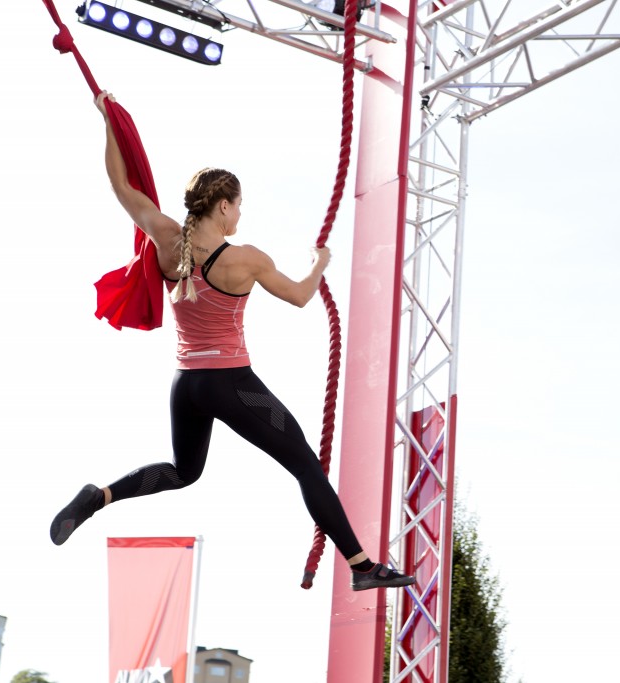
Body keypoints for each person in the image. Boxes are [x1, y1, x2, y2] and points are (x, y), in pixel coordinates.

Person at [49, 91, 413, 592]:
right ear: (223, 206)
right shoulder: (245, 258)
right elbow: (301, 297)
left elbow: (122, 186)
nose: (240, 214)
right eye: (238, 205)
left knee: (184, 470)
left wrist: (108, 121)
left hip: (186, 384)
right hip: (229, 381)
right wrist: (320, 263)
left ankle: (101, 495)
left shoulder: (164, 237)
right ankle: (362, 566)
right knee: (306, 465)